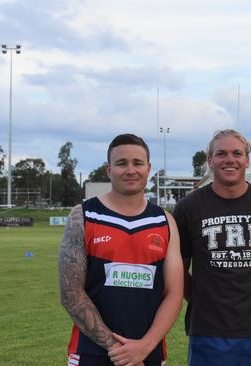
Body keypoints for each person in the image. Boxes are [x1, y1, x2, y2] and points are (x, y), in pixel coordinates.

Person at [172, 129, 251, 366]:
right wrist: (203, 300)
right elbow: (178, 270)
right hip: (208, 330)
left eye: (237, 153)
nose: (229, 159)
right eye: (221, 153)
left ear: (247, 160)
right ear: (209, 161)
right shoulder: (188, 207)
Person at [59, 133, 184, 366]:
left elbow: (175, 294)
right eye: (121, 163)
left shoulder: (165, 221)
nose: (130, 170)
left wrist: (143, 347)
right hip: (91, 353)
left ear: (148, 169)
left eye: (137, 163)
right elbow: (70, 294)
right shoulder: (83, 216)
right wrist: (119, 350)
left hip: (148, 354)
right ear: (108, 170)